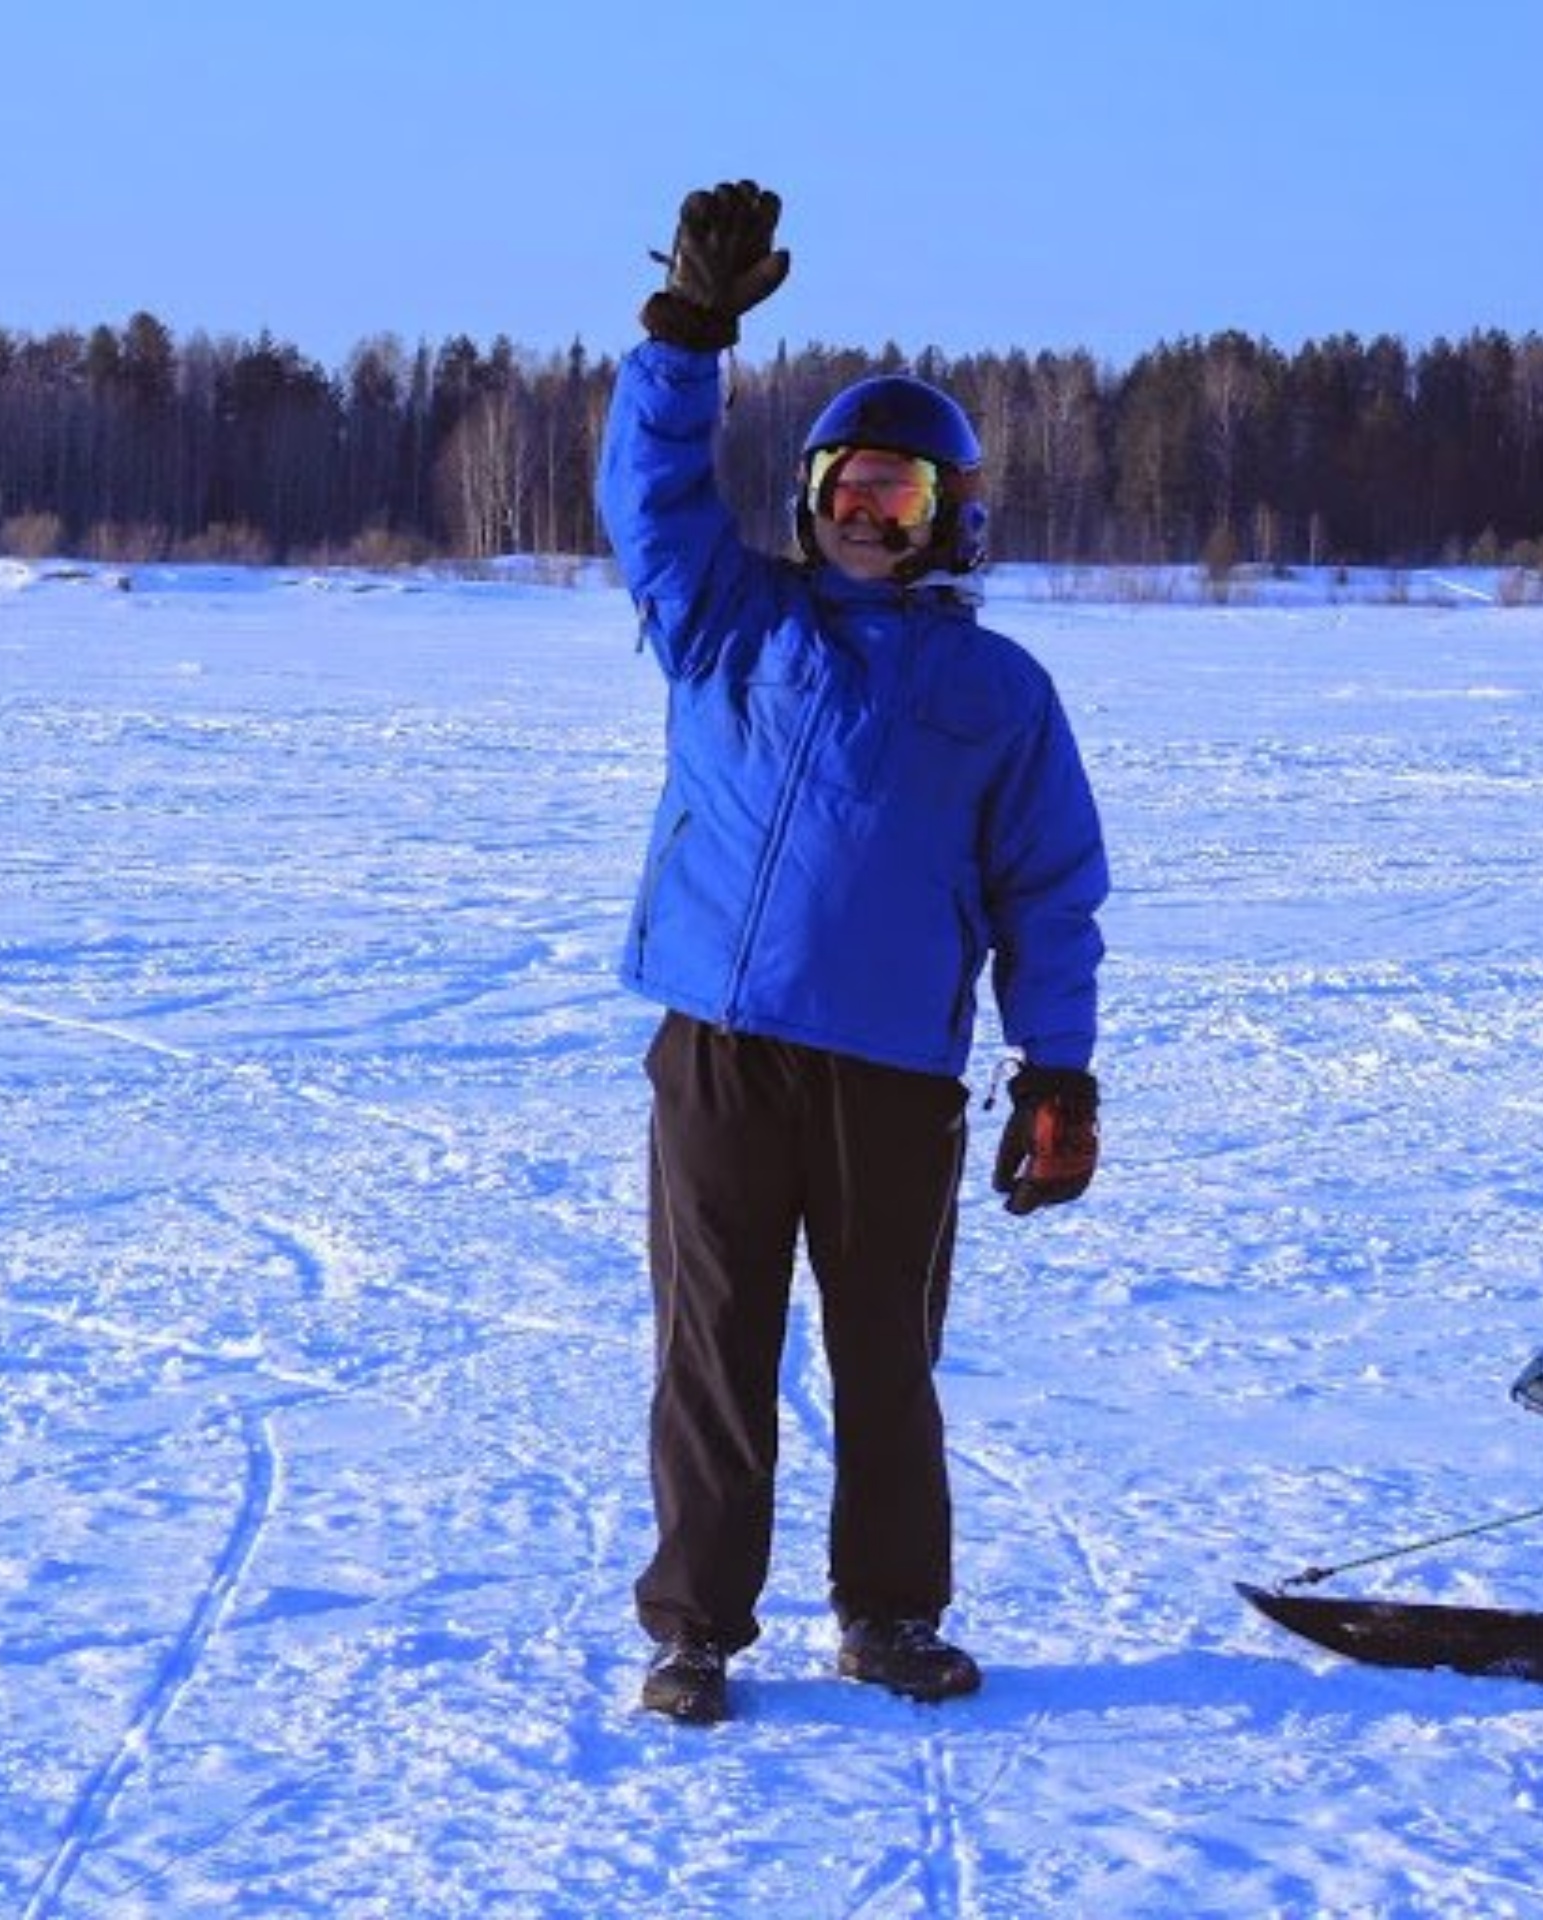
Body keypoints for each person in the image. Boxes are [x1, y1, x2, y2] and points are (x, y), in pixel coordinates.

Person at [596, 181, 1109, 1725]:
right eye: (842, 491)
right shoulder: (731, 623)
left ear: (950, 511)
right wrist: (687, 339)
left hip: (893, 1073)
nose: (862, 519)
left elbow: (1051, 893)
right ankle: (695, 1631)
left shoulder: (999, 690)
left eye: (896, 497)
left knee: (887, 1356)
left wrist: (1059, 1072)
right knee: (714, 1350)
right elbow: (650, 499)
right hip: (723, 1050)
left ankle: (888, 1615)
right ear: (809, 498)